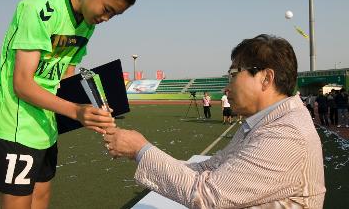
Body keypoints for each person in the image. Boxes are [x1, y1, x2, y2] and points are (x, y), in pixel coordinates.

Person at [104, 34, 325, 208]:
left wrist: (140, 150)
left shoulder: (286, 134)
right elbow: (210, 167)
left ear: (266, 78)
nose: (227, 87)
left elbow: (208, 196)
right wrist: (139, 152)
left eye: (233, 74)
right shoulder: (267, 123)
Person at [0, 0, 138, 209]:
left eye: (115, 15)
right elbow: (22, 84)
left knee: (42, 199)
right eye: (107, 9)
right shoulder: (39, 8)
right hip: (15, 123)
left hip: (46, 125)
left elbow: (65, 76)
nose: (107, 19)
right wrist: (76, 111)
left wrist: (94, 109)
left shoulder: (87, 25)